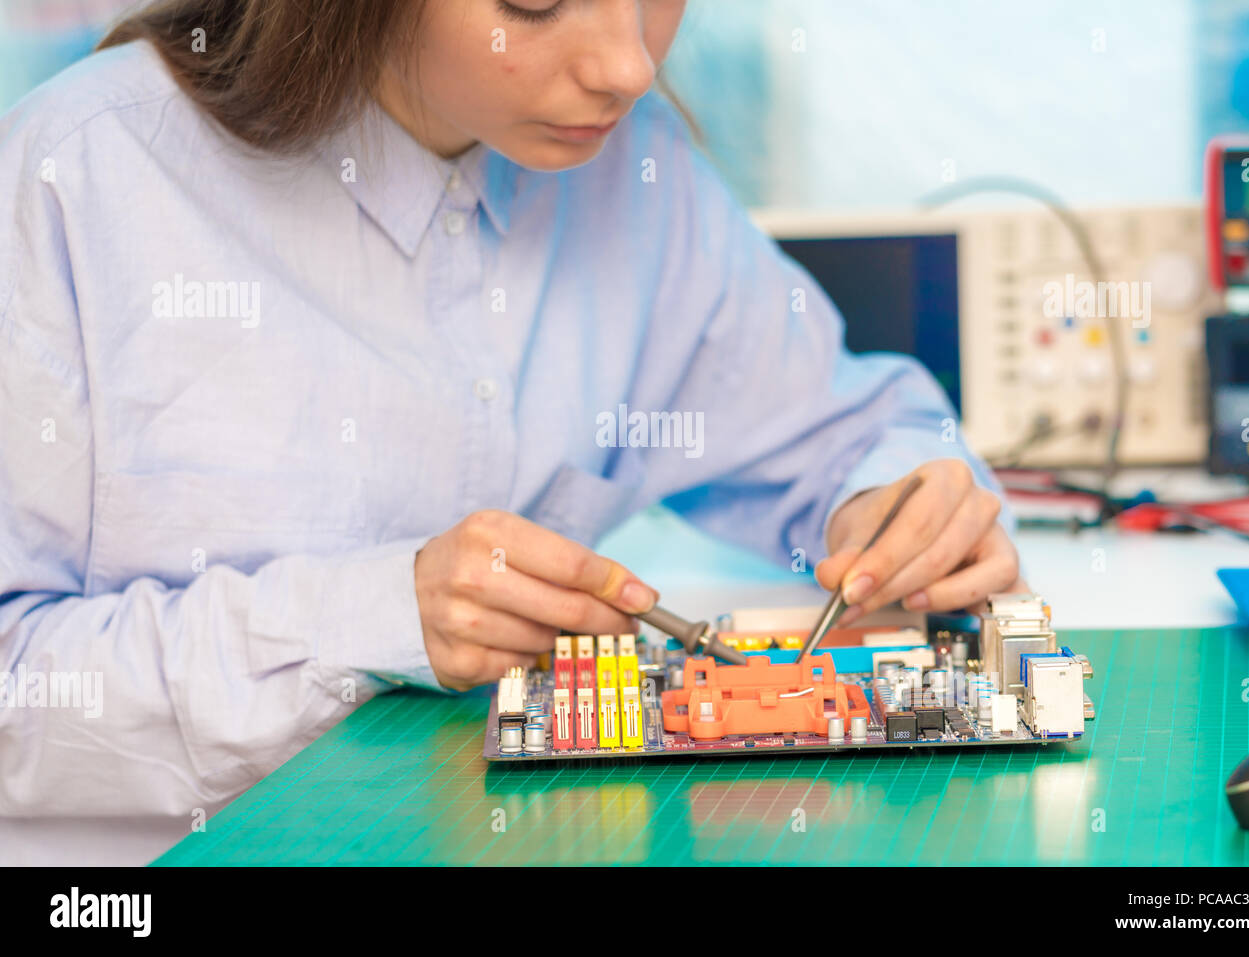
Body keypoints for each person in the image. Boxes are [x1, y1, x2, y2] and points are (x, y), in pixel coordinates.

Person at [0, 0, 1022, 818]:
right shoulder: (76, 174)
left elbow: (844, 429)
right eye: (533, 2)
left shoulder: (634, 177)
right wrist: (378, 616)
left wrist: (897, 511)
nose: (625, 65)